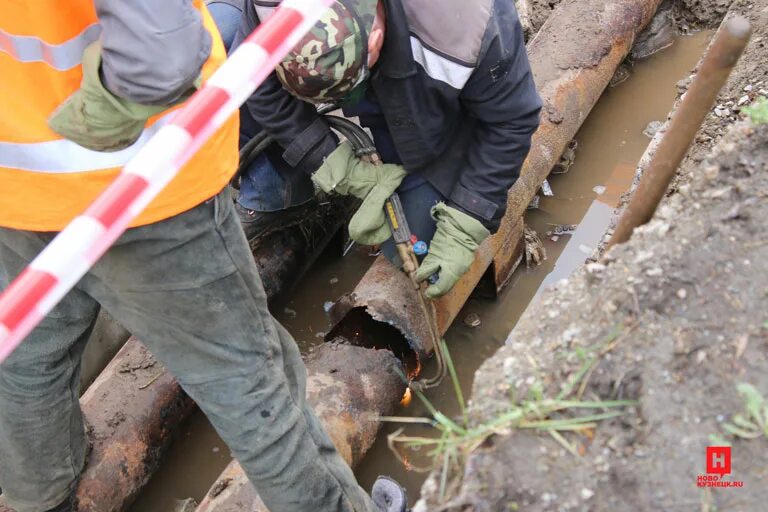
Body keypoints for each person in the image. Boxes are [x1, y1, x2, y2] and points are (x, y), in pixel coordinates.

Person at [0, 1, 404, 511]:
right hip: (143, 184)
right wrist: (91, 130)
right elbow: (164, 51)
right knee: (253, 381)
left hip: (16, 178)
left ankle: (42, 497)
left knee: (31, 362)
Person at [228, 0, 542, 299]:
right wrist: (326, 159)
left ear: (376, 39)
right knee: (221, 31)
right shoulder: (269, 7)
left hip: (428, 94)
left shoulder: (465, 24)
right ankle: (280, 199)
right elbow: (254, 81)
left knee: (419, 253)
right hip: (384, 67)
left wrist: (467, 218)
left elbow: (512, 121)